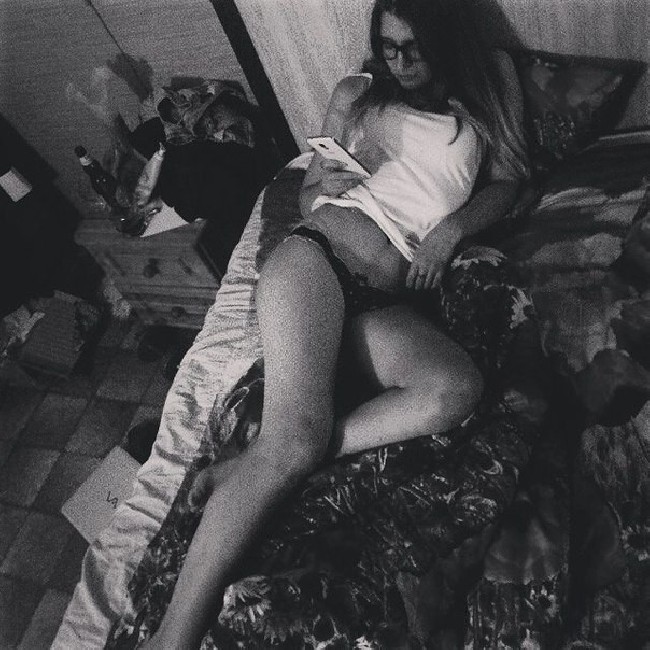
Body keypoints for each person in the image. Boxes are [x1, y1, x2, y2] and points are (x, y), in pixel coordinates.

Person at [143, 0, 528, 646]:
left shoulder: (489, 80)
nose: (400, 61)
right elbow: (307, 197)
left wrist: (449, 233)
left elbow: (510, 181)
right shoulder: (357, 91)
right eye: (389, 47)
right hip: (318, 259)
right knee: (291, 445)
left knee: (455, 389)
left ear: (446, 38)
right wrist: (327, 177)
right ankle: (170, 638)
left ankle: (253, 462)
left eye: (414, 47)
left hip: (385, 296)